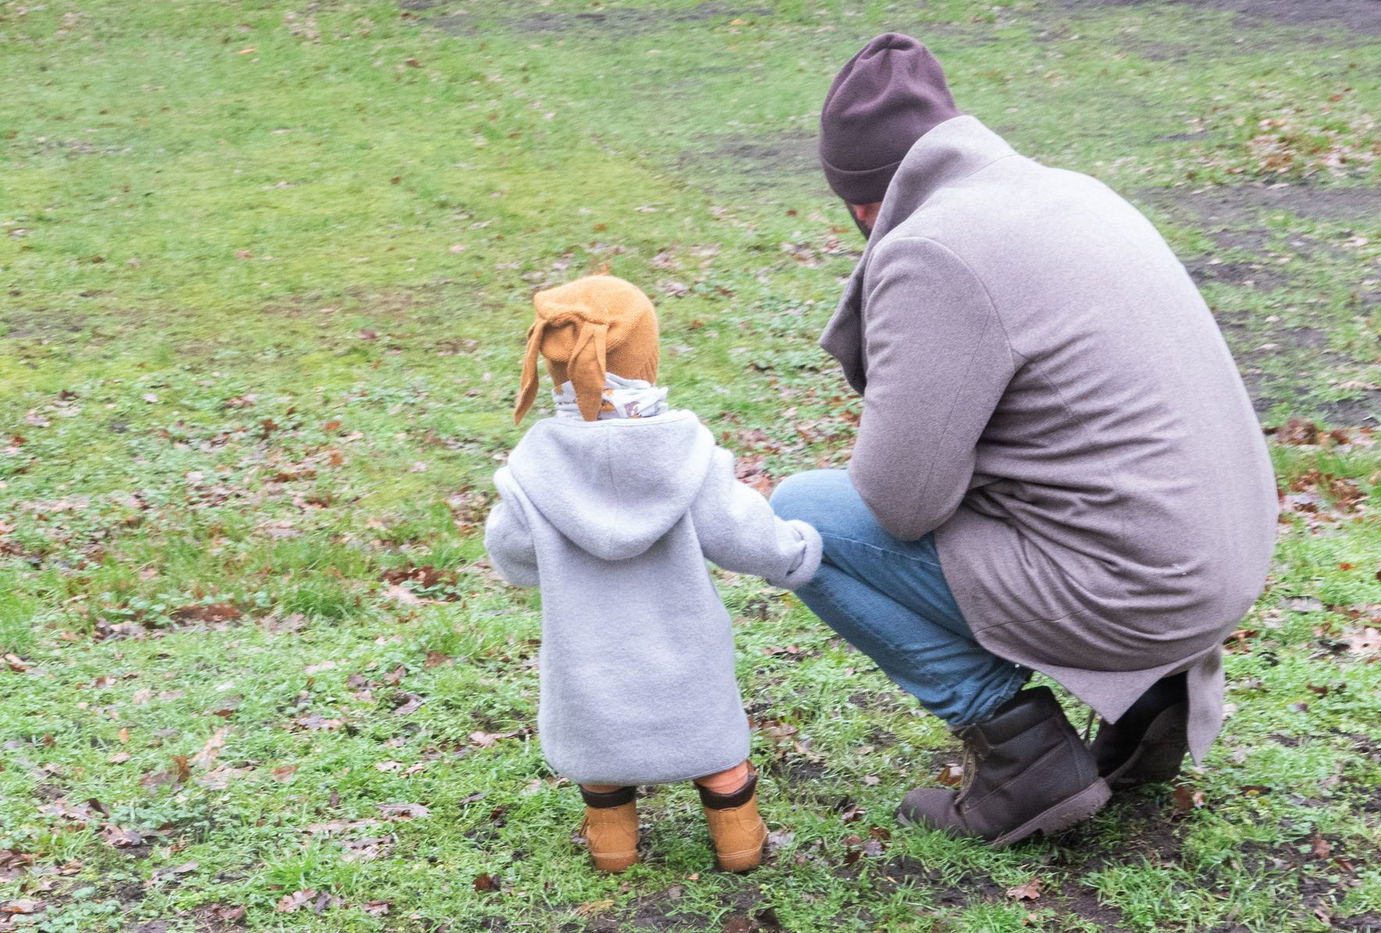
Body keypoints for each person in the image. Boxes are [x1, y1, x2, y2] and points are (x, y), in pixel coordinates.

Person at [770, 34, 1279, 845]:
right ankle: (1152, 700)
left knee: (804, 516)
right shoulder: (1071, 191)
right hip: (1219, 566)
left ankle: (1022, 755)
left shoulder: (934, 247)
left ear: (863, 203)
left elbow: (901, 503)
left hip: (1141, 588)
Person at [484, 275, 823, 872]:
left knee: (601, 759)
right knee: (718, 758)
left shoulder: (534, 471)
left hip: (588, 660)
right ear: (646, 357)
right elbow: (741, 533)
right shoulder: (686, 453)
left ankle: (613, 846)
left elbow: (512, 557)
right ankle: (739, 842)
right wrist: (795, 551)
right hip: (686, 656)